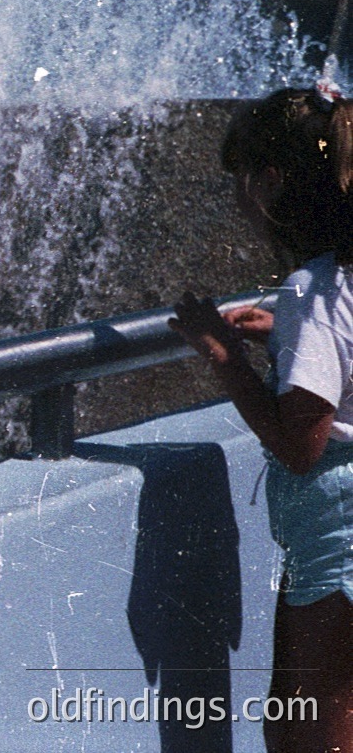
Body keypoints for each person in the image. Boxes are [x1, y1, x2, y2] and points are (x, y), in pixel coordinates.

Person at [171, 84, 353, 753]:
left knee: (315, 734)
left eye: (240, 181)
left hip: (338, 537)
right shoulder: (338, 287)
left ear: (272, 183)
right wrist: (286, 337)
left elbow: (299, 446)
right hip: (334, 538)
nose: (237, 201)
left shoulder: (314, 289)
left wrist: (223, 357)